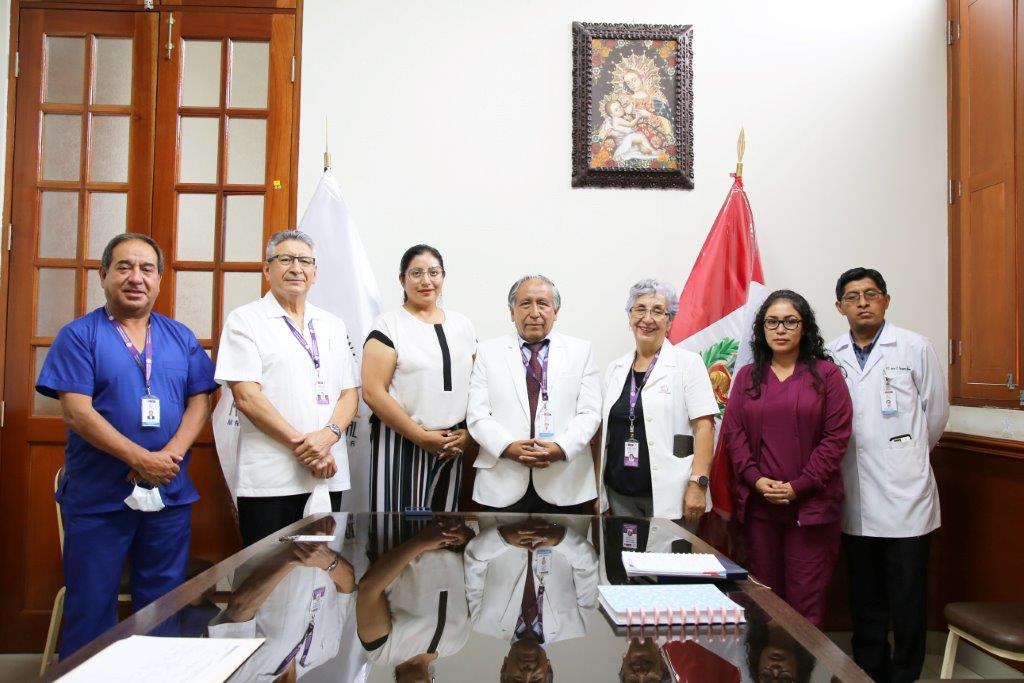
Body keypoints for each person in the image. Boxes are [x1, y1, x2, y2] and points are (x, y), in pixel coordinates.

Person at [35, 232, 218, 658]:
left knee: (162, 605)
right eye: (124, 267)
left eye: (146, 268)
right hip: (99, 499)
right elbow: (76, 412)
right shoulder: (79, 335)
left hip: (167, 494)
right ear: (103, 275)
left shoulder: (180, 336)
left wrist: (166, 458)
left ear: (159, 279)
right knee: (91, 607)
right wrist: (139, 458)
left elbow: (200, 400)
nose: (136, 277)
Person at [827, 267, 949, 683]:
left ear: (886, 300)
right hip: (854, 491)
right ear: (839, 306)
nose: (862, 302)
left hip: (905, 494)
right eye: (853, 296)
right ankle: (868, 667)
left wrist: (908, 456)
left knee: (908, 595)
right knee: (865, 594)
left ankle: (905, 673)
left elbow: (935, 415)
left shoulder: (914, 347)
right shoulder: (830, 354)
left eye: (871, 294)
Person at [215, 230, 359, 546]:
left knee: (320, 578)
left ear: (315, 272)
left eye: (305, 261)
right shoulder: (245, 320)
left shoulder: (332, 324)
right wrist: (305, 448)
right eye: (286, 259)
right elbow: (246, 397)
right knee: (268, 577)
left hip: (327, 474)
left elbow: (350, 394)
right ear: (267, 269)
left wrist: (328, 436)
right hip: (271, 479)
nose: (296, 268)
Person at [721, 289, 852, 628]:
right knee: (763, 601)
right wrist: (754, 478)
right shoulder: (748, 377)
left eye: (790, 321)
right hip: (760, 509)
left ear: (804, 327)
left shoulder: (827, 376)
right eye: (772, 322)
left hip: (810, 510)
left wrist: (800, 485)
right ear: (762, 329)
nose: (780, 329)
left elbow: (835, 438)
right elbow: (733, 434)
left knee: (804, 604)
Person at [468, 275, 601, 513]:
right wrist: (508, 447)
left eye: (543, 303)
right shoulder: (487, 352)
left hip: (565, 484)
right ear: (512, 311)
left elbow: (589, 413)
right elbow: (477, 415)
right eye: (525, 303)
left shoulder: (581, 352)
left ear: (556, 311)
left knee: (569, 551)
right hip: (501, 483)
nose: (534, 312)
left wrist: (560, 448)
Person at [361, 244, 476, 517]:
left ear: (443, 277)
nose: (426, 281)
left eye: (433, 272)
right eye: (416, 273)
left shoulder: (463, 325)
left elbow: (478, 386)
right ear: (402, 280)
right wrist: (421, 437)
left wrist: (469, 435)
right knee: (402, 533)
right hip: (403, 443)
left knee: (443, 531)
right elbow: (373, 392)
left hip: (452, 444)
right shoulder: (388, 325)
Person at [599, 278, 718, 523]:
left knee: (668, 559)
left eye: (657, 311)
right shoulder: (615, 369)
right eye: (639, 309)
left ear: (670, 320)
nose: (647, 318)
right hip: (619, 493)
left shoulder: (688, 363)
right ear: (630, 317)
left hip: (671, 493)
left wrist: (699, 484)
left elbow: (704, 427)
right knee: (620, 561)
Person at [356, 518, 474, 682]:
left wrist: (421, 542)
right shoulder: (457, 642)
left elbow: (368, 588)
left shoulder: (382, 652)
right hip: (449, 524)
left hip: (399, 527)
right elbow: (472, 582)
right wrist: (468, 537)